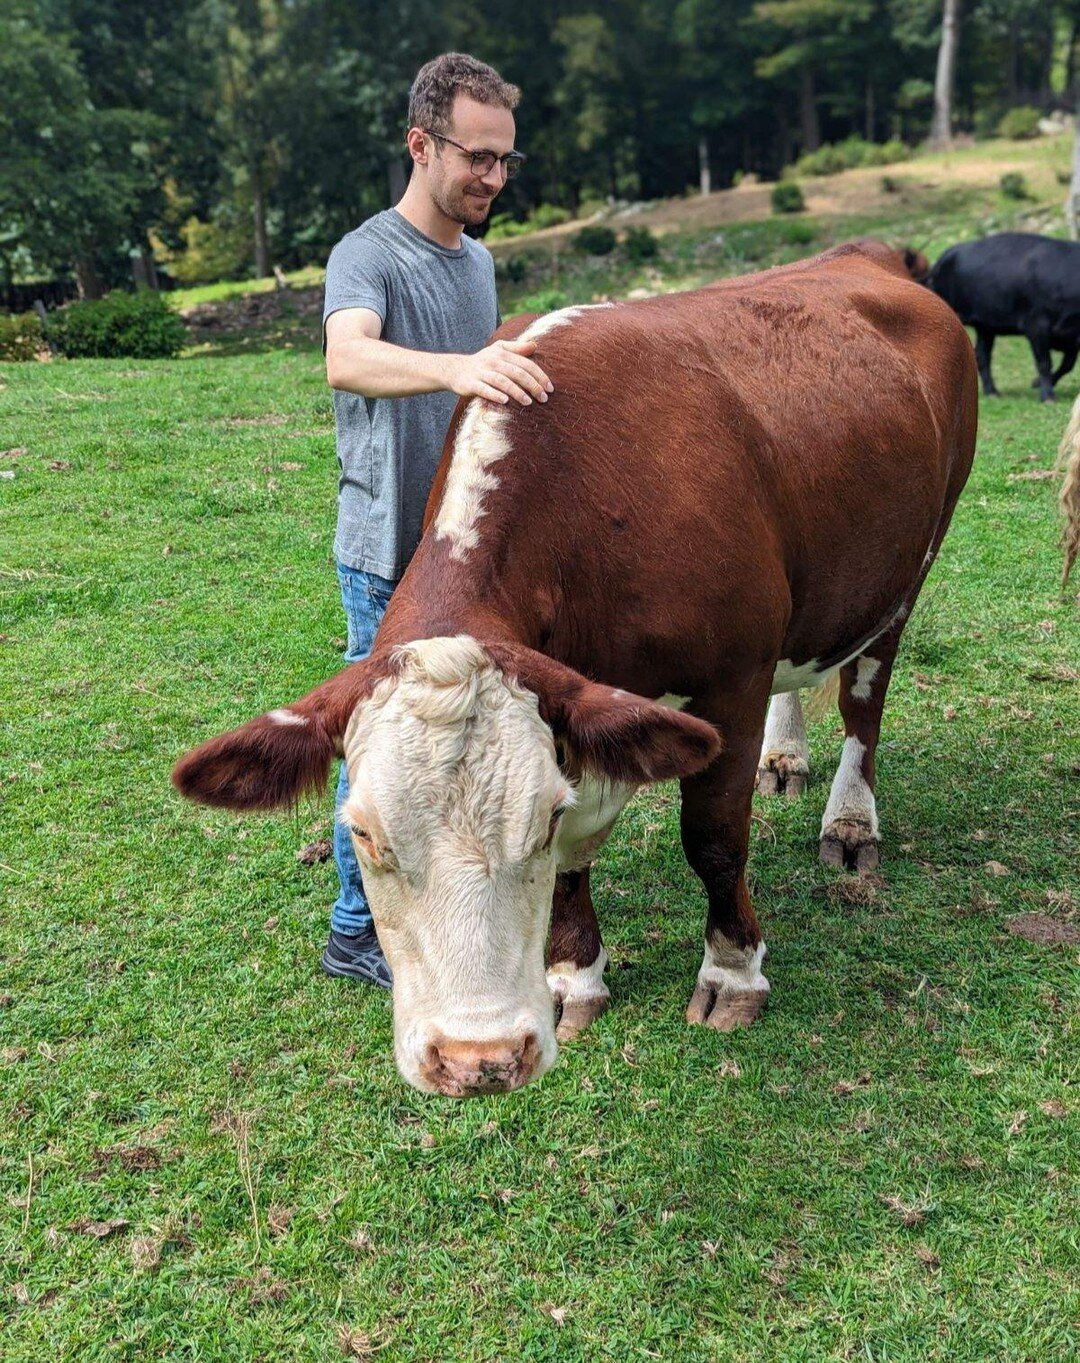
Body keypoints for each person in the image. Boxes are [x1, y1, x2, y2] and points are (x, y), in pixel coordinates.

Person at [319, 52, 554, 987]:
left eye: (506, 160)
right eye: (476, 157)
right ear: (421, 145)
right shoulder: (367, 254)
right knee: (379, 736)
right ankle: (352, 929)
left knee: (453, 732)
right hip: (386, 552)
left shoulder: (482, 260)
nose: (493, 178)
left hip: (463, 547)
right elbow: (349, 358)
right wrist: (456, 368)